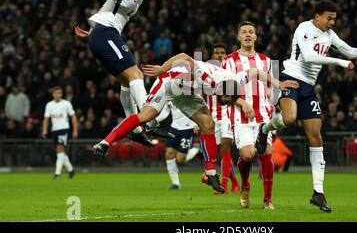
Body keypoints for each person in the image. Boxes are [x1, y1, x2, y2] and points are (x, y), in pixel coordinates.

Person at [256, 0, 357, 212]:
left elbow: (349, 51)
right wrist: (340, 63)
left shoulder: (329, 35)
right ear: (317, 16)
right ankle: (264, 129)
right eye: (329, 18)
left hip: (309, 88)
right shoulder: (304, 28)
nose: (332, 22)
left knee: (316, 137)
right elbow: (309, 56)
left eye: (334, 19)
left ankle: (318, 192)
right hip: (290, 79)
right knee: (289, 118)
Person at [91, 53, 298, 193]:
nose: (225, 103)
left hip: (188, 94)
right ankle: (105, 143)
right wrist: (162, 69)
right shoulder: (209, 78)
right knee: (145, 116)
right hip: (169, 83)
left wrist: (279, 83)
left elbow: (255, 73)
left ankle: (210, 175)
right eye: (226, 99)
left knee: (207, 124)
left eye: (229, 101)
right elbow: (184, 57)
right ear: (222, 91)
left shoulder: (234, 81)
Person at [74, 0, 173, 146]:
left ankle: (134, 130)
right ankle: (151, 122)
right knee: (137, 75)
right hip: (105, 33)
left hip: (101, 34)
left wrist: (91, 32)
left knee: (127, 82)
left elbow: (109, 10)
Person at [222, 21, 276, 210]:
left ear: (255, 37)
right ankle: (245, 185)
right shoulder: (229, 60)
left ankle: (267, 200)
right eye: (243, 32)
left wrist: (271, 100)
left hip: (263, 116)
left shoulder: (267, 61)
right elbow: (226, 92)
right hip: (240, 117)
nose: (247, 34)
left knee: (266, 153)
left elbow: (270, 89)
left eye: (250, 32)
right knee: (248, 154)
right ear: (238, 37)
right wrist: (243, 102)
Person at [206, 43, 239, 194]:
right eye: (216, 53)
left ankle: (223, 185)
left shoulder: (231, 72)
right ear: (212, 56)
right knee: (219, 152)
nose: (219, 55)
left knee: (226, 147)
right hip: (212, 116)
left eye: (222, 53)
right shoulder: (206, 72)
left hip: (227, 114)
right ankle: (235, 182)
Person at [157, 101, 200, 189]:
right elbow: (165, 112)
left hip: (188, 128)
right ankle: (176, 183)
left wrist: (197, 123)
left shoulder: (190, 93)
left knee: (180, 159)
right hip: (174, 128)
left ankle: (196, 149)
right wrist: (153, 121)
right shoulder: (169, 94)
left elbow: (199, 108)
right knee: (169, 154)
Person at [41, 86, 78, 179]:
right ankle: (71, 170)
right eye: (56, 93)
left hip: (64, 129)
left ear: (61, 94)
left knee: (60, 149)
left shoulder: (66, 104)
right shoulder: (49, 105)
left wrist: (75, 130)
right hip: (54, 130)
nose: (57, 95)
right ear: (53, 94)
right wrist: (44, 130)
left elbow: (73, 117)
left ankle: (57, 174)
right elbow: (46, 119)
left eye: (59, 93)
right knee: (59, 152)